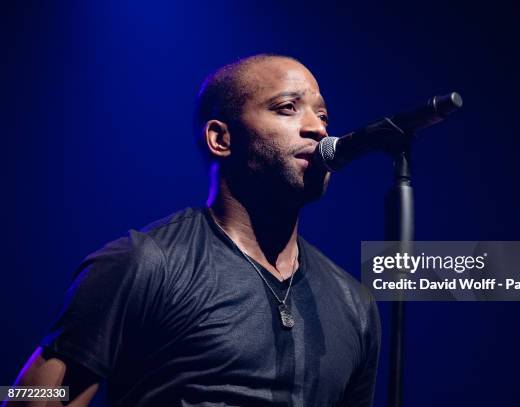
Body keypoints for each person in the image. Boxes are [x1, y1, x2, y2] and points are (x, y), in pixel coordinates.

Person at [6, 54, 381, 407]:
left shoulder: (354, 304)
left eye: (323, 116)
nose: (318, 129)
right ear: (220, 139)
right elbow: (27, 394)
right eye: (287, 108)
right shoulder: (143, 262)